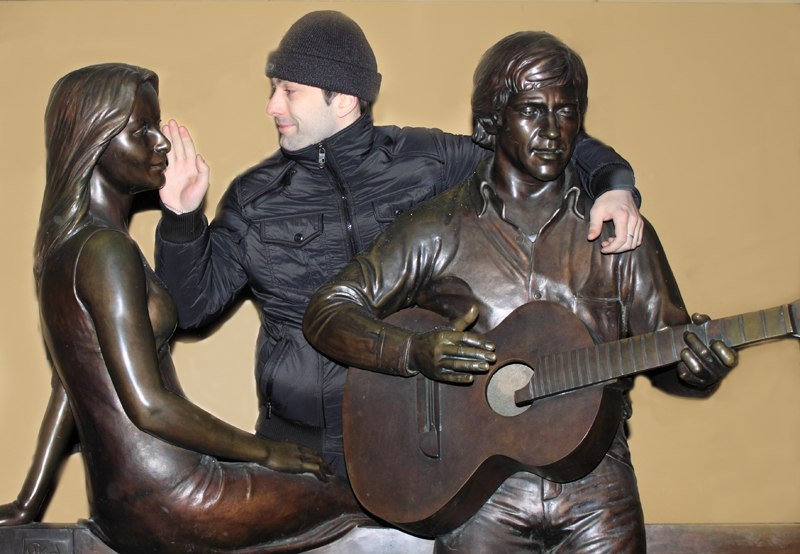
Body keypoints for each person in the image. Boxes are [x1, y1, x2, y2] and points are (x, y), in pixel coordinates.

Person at [155, 10, 646, 477]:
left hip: (420, 439)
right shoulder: (255, 197)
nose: (272, 106)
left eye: (289, 91)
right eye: (274, 90)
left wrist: (615, 185)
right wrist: (182, 216)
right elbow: (192, 309)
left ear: (343, 99)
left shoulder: (430, 161)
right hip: (300, 446)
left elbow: (536, 142)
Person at [303, 31, 737, 552]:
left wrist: (695, 370)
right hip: (476, 488)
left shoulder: (618, 235)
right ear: (492, 119)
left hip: (597, 480)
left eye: (565, 111)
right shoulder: (438, 229)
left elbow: (667, 351)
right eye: (532, 110)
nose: (552, 130)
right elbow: (328, 310)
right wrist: (411, 351)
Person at [0, 63, 370, 553]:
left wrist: (28, 501)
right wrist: (265, 451)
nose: (162, 142)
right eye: (141, 130)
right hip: (177, 497)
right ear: (95, 142)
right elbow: (150, 407)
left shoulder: (65, 250)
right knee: (362, 500)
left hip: (123, 503)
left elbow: (70, 385)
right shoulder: (105, 251)